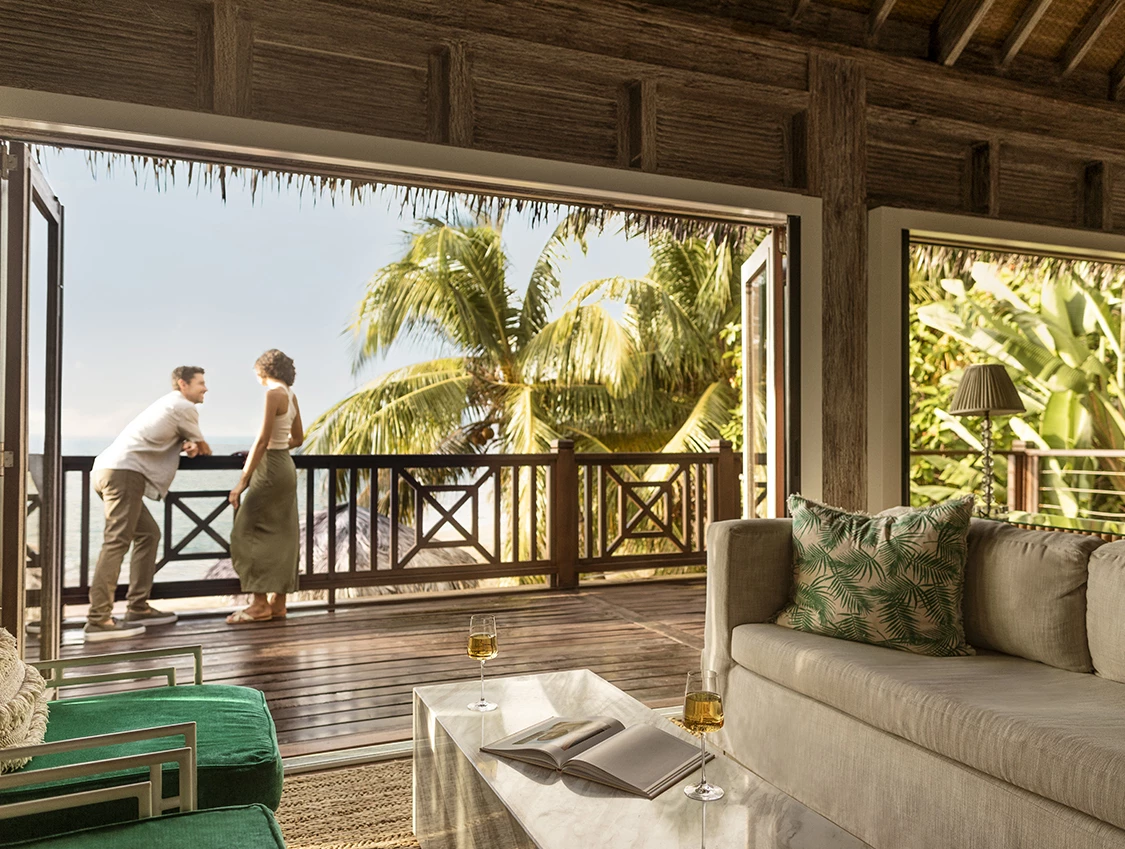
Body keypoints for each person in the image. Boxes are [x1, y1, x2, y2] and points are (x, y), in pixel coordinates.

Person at [85, 366, 212, 641]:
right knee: (117, 541)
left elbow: (174, 440)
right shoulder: (183, 405)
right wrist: (193, 446)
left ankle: (138, 607)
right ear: (183, 384)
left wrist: (184, 445)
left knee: (148, 534)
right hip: (124, 474)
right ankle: (98, 619)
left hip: (107, 470)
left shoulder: (167, 405)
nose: (205, 388)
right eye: (201, 383)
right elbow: (204, 448)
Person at [227, 350, 302, 623]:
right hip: (285, 466)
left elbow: (261, 440)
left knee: (245, 531)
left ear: (262, 370)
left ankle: (258, 604)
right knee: (283, 533)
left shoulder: (272, 394)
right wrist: (279, 446)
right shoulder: (291, 395)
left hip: (270, 468)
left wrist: (241, 483)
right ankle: (278, 603)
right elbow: (299, 438)